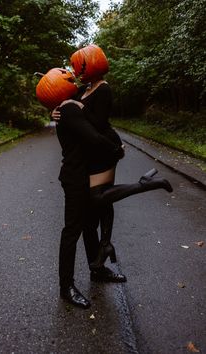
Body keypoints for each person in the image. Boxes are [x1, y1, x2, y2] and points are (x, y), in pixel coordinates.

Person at [54, 44, 173, 275]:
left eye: (81, 65)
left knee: (98, 197)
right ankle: (103, 250)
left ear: (94, 63)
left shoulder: (103, 90)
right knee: (96, 204)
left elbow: (97, 123)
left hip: (105, 149)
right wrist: (56, 111)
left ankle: (142, 186)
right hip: (93, 151)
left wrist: (79, 107)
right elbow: (66, 106)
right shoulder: (83, 89)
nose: (77, 70)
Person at [36, 67, 126, 309]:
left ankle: (97, 269)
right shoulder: (68, 110)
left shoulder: (69, 105)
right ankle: (66, 287)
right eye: (65, 78)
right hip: (75, 178)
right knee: (72, 230)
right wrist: (117, 150)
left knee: (89, 226)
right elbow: (94, 138)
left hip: (83, 174)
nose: (71, 78)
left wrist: (53, 108)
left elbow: (85, 101)